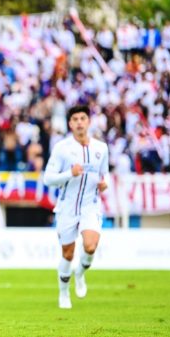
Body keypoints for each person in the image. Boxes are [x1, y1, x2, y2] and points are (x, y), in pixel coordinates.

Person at [43, 105, 108, 310]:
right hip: (67, 206)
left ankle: (80, 272)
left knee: (90, 246)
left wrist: (105, 185)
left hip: (90, 205)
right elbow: (48, 179)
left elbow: (105, 175)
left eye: (83, 118)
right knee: (68, 253)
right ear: (70, 124)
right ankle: (63, 293)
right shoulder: (62, 148)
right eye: (75, 119)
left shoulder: (101, 148)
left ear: (88, 121)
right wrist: (69, 173)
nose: (79, 122)